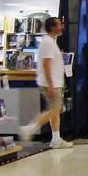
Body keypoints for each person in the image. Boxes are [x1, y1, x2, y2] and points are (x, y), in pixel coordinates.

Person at [19, 17, 73, 149]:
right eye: (59, 25)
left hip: (54, 82)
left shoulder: (50, 41)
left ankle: (56, 138)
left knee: (54, 111)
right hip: (51, 83)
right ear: (53, 27)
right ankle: (30, 128)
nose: (62, 27)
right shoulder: (48, 42)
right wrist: (50, 85)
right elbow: (46, 64)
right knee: (55, 109)